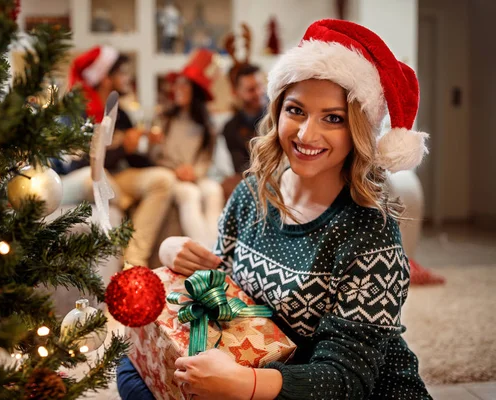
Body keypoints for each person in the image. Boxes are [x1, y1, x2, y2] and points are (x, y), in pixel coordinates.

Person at [118, 19, 431, 399]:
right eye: (296, 110)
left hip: (333, 390)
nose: (305, 134)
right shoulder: (253, 192)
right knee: (131, 366)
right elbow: (230, 287)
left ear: (359, 131)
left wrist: (243, 384)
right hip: (255, 363)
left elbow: (347, 380)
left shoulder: (368, 234)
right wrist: (173, 253)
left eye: (333, 118)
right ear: (278, 110)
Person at [62, 46, 176, 267]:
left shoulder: (120, 113)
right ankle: (123, 201)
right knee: (97, 177)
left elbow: (132, 161)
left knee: (163, 179)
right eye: (122, 72)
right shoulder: (76, 112)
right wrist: (123, 147)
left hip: (117, 175)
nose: (128, 78)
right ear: (105, 78)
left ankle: (133, 262)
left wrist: (148, 152)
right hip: (88, 176)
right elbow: (79, 163)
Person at [150, 49, 224, 249]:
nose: (178, 88)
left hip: (195, 174)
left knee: (213, 190)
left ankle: (217, 248)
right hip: (170, 174)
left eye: (185, 84)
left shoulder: (206, 127)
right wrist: (175, 169)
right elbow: (155, 155)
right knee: (190, 194)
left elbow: (206, 159)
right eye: (178, 83)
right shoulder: (165, 120)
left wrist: (195, 172)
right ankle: (205, 253)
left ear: (196, 91)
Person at [220, 63, 266, 199]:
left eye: (260, 86)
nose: (258, 93)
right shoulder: (230, 128)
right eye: (251, 90)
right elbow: (240, 166)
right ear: (237, 92)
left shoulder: (280, 117)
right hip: (251, 177)